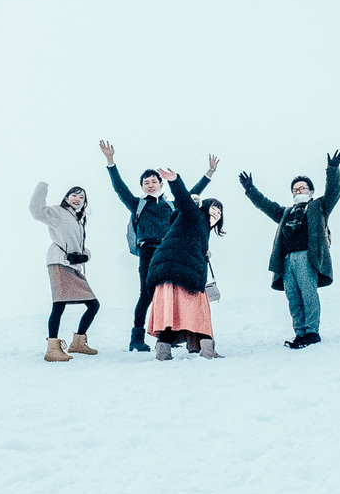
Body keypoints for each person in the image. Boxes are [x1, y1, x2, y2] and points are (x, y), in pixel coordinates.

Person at [100, 140, 217, 351]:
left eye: (154, 181)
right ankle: (136, 338)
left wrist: (209, 172)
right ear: (142, 186)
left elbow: (190, 194)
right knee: (146, 294)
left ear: (161, 184)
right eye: (146, 182)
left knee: (174, 292)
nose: (151, 184)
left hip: (172, 252)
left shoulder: (171, 205)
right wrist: (110, 161)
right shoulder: (138, 204)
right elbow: (119, 188)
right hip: (148, 251)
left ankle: (172, 336)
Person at [239, 150, 340, 348]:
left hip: (306, 257)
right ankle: (300, 333)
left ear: (310, 192)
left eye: (302, 188)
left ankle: (312, 332)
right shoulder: (286, 212)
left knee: (308, 294)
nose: (298, 191)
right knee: (293, 299)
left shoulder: (318, 207)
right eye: (295, 189)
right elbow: (266, 205)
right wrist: (251, 190)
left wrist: (333, 169)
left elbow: (333, 193)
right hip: (286, 260)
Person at [144, 169, 226, 360]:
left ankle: (163, 352)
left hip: (169, 270)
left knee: (172, 315)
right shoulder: (193, 215)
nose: (216, 213)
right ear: (203, 209)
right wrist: (175, 180)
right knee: (199, 311)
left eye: (219, 211)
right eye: (212, 209)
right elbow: (183, 199)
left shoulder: (200, 227)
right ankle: (207, 351)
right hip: (179, 271)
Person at [29, 181, 100, 362]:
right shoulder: (58, 213)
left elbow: (80, 246)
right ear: (67, 198)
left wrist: (85, 256)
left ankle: (78, 343)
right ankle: (52, 348)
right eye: (74, 195)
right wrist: (42, 187)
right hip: (59, 262)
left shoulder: (78, 219)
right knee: (59, 305)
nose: (78, 199)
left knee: (93, 305)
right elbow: (36, 211)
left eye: (81, 197)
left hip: (73, 266)